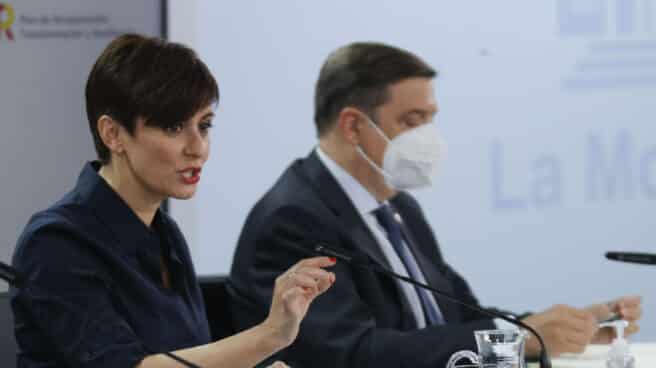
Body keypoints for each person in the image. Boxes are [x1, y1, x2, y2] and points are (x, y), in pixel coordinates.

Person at [228, 42, 643, 367]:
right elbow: (351, 355)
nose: (428, 137)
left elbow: (459, 318)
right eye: (411, 121)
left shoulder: (397, 206)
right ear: (353, 125)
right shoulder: (295, 219)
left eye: (430, 118)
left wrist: (561, 329)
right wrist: (518, 341)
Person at [10, 34, 336, 368]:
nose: (198, 148)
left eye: (204, 126)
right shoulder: (55, 242)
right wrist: (270, 335)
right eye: (174, 127)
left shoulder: (165, 231)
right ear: (113, 134)